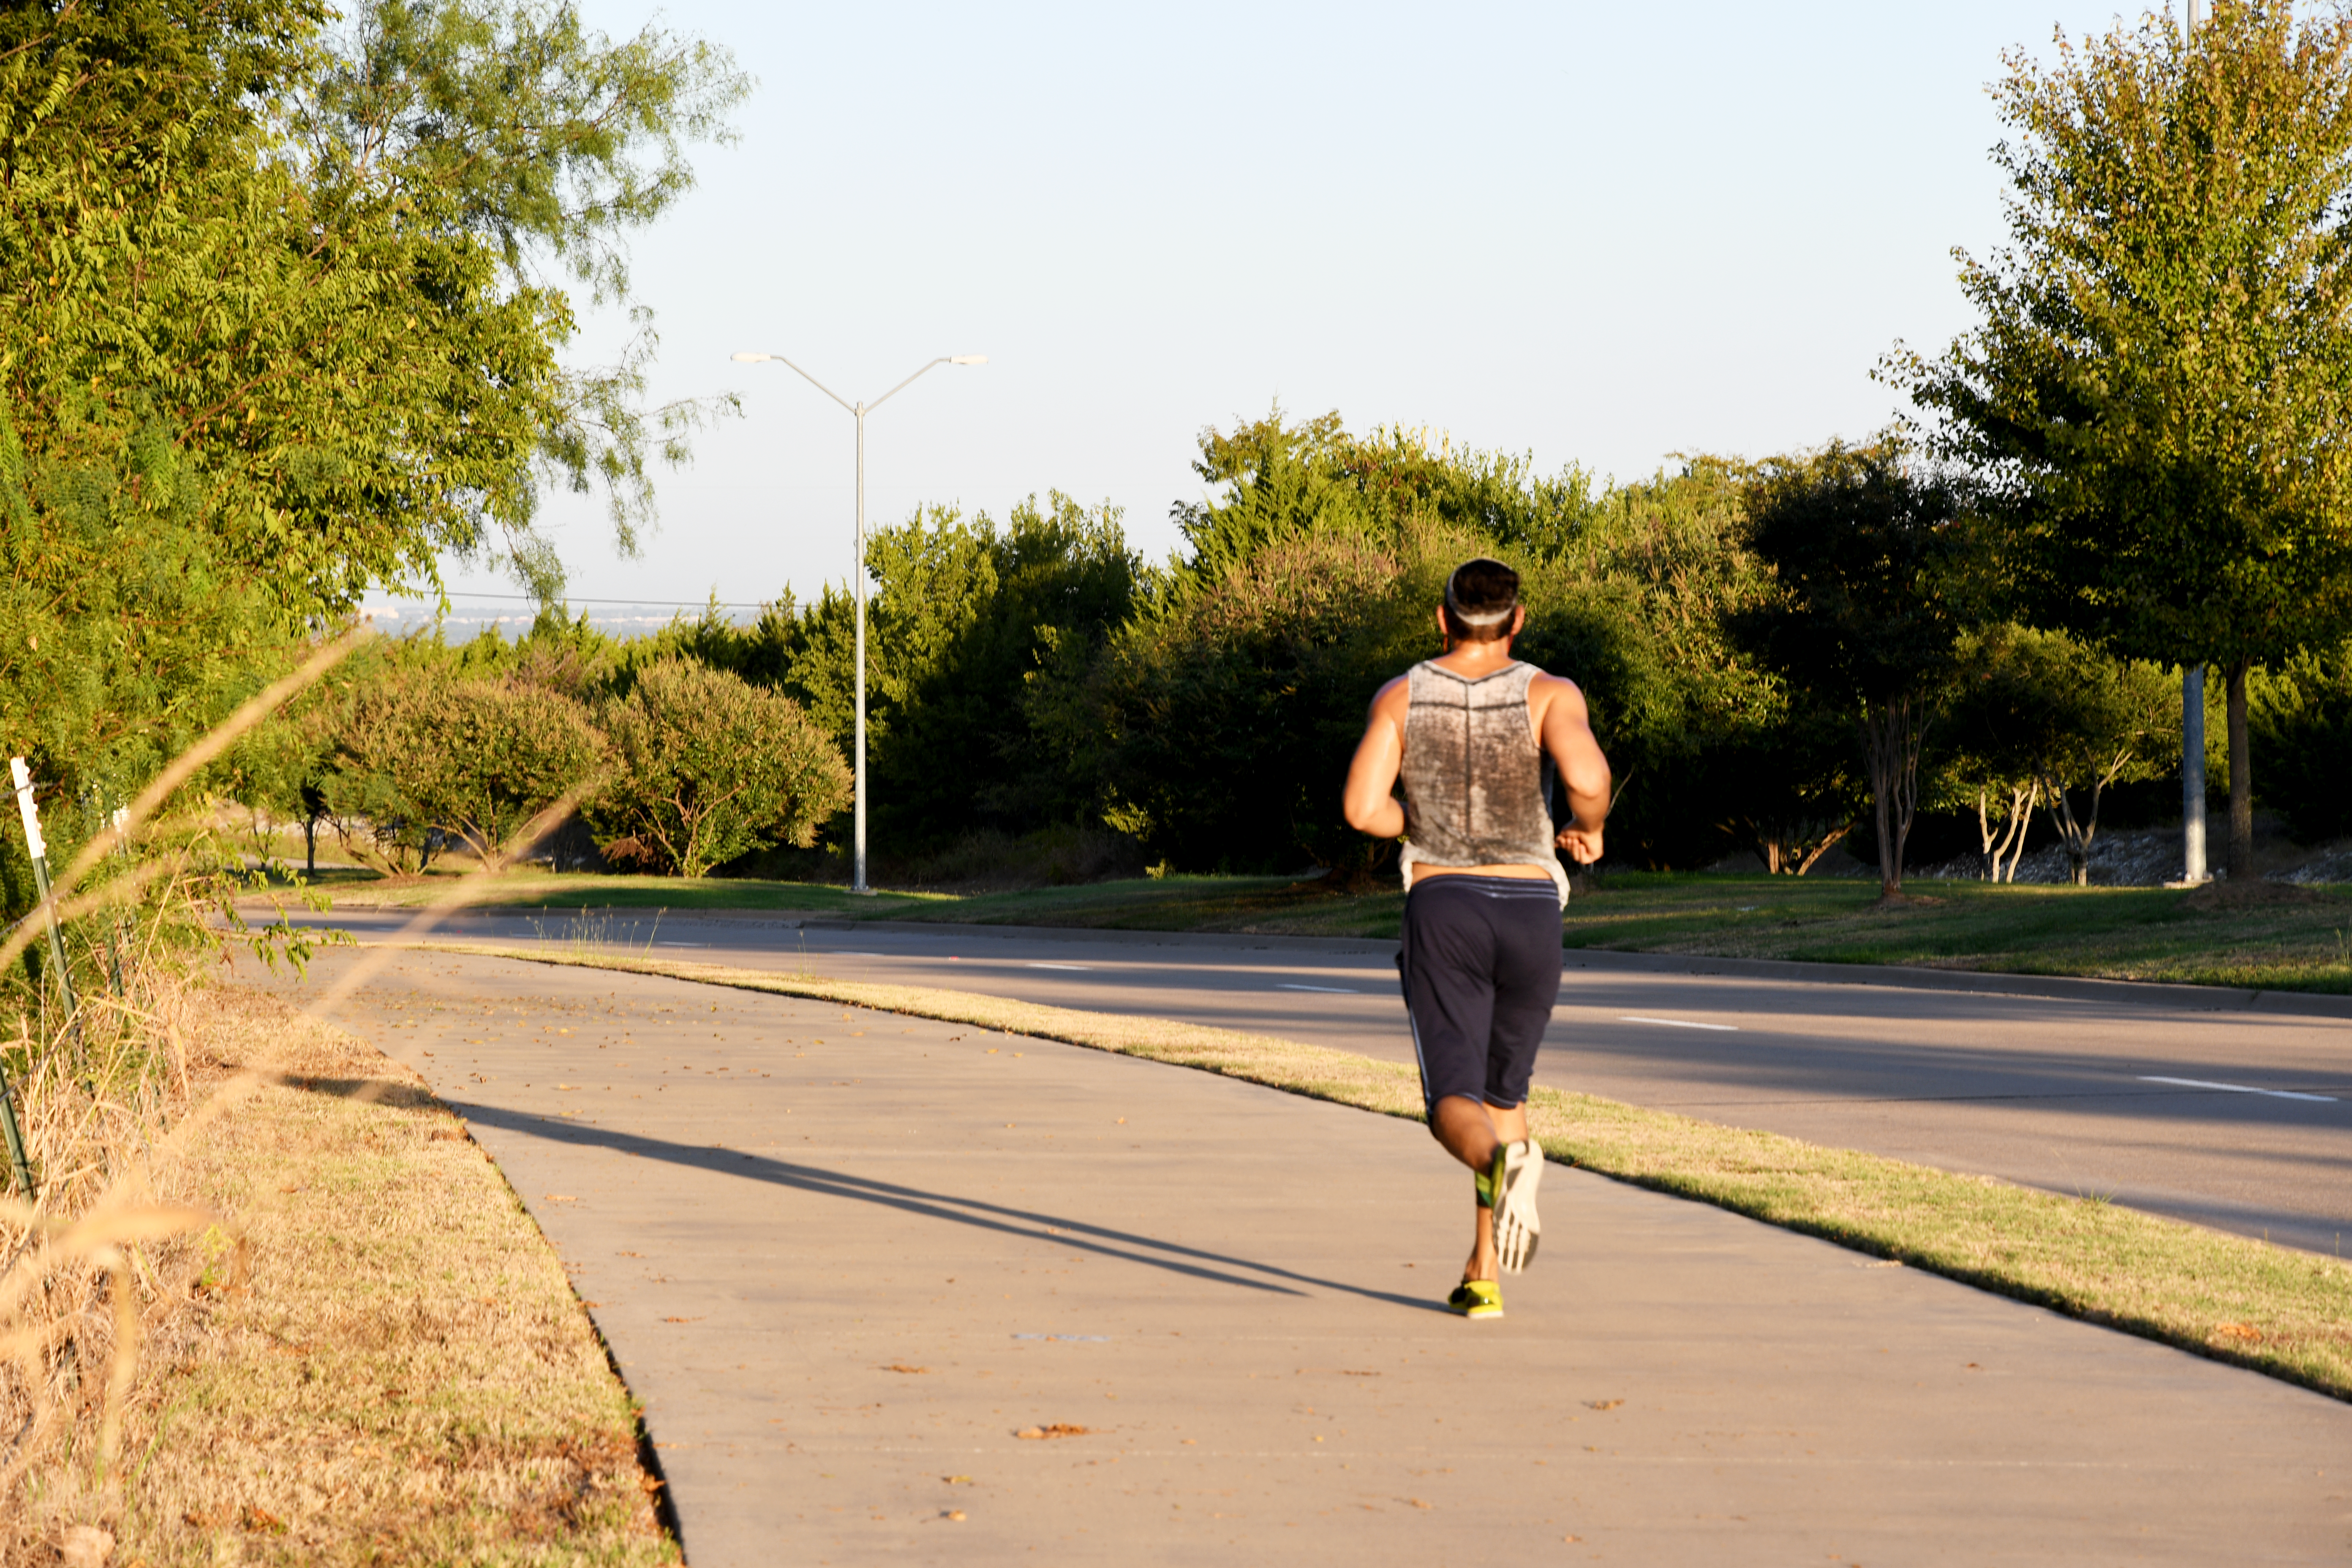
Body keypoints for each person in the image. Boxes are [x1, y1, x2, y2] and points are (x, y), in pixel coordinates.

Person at [1341, 558, 1610, 1318]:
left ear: (1442, 619)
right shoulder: (1549, 693)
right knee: (1505, 1095)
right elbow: (1588, 779)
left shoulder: (1400, 697)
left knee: (1453, 1104)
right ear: (1518, 622)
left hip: (1446, 907)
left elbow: (1363, 808)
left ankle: (1504, 1166)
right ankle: (1483, 1271)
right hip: (1531, 910)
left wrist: (1417, 820)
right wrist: (1586, 829)